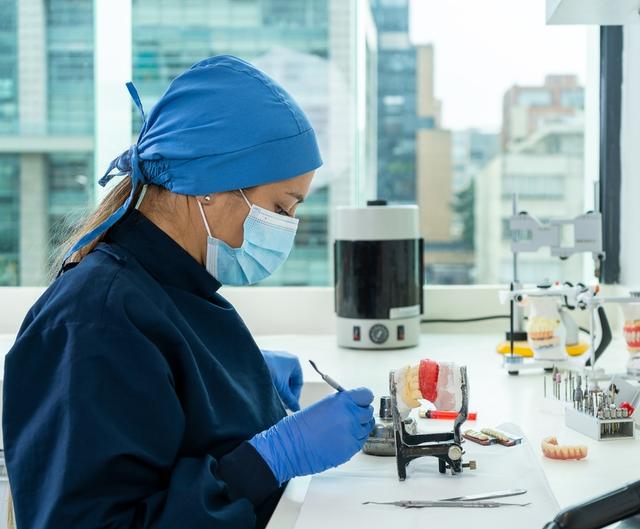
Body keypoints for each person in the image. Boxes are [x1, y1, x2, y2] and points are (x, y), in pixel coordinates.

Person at [2, 55, 375, 529]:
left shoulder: (176, 284)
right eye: (281, 208)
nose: (287, 227)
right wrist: (273, 457)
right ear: (209, 188)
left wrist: (239, 388)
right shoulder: (94, 319)